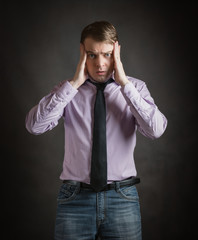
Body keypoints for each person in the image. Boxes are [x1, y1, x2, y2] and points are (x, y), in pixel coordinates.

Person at [25, 21, 167, 240]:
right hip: (75, 199)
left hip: (122, 198)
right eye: (92, 55)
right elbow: (34, 126)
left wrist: (124, 85)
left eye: (107, 54)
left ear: (117, 52)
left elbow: (156, 130)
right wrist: (73, 85)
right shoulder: (67, 91)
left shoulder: (135, 88)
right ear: (82, 53)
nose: (100, 63)